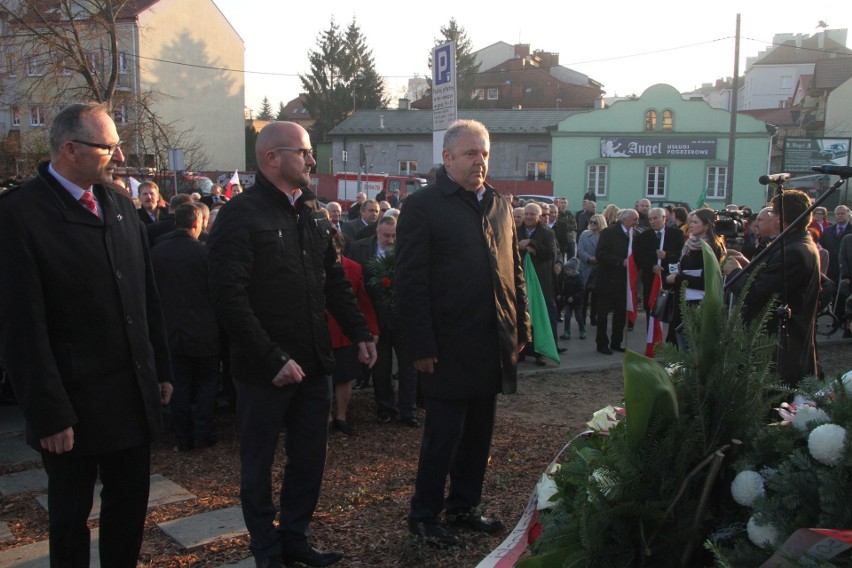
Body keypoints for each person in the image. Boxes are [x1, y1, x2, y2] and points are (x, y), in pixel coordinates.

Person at [0, 102, 173, 567]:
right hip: (70, 405)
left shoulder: (117, 203)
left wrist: (160, 369)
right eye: (109, 147)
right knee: (70, 516)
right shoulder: (19, 215)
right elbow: (21, 328)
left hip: (130, 393)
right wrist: (48, 413)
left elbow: (144, 294)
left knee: (129, 506)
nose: (119, 157)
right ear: (71, 149)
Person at [207, 121, 377, 568]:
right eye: (302, 152)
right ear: (271, 159)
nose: (310, 160)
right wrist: (270, 358)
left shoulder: (313, 213)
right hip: (264, 370)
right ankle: (266, 549)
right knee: (258, 464)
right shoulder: (241, 216)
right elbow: (228, 297)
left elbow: (335, 281)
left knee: (309, 458)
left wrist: (360, 332)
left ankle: (296, 537)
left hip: (315, 363)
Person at [396, 119, 530, 547]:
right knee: (443, 437)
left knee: (478, 434)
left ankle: (463, 506)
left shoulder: (499, 204)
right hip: (447, 345)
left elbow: (514, 272)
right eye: (471, 153)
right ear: (447, 157)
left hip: (491, 341)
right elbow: (410, 282)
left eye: (484, 153)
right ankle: (424, 515)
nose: (479, 161)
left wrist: (521, 324)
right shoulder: (424, 206)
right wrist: (419, 343)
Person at [725, 190, 820, 387]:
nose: (771, 216)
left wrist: (735, 273)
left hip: (778, 349)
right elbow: (771, 280)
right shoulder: (793, 243)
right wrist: (747, 265)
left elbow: (758, 295)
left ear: (782, 219)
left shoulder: (793, 251)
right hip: (776, 345)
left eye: (774, 213)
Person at [151, 203, 220, 452]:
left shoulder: (157, 253)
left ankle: (182, 436)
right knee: (207, 383)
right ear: (196, 223)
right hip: (205, 330)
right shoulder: (205, 253)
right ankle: (204, 433)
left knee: (179, 383)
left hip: (171, 329)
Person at [350, 215, 420, 426]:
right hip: (375, 320)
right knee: (380, 369)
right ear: (377, 232)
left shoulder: (408, 249)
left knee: (409, 368)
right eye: (386, 235)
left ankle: (409, 411)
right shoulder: (359, 249)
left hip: (403, 320)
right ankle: (385, 408)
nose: (390, 240)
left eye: (394, 235)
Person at [327, 230, 379, 436]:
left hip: (345, 333)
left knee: (344, 376)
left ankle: (341, 416)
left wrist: (371, 330)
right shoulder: (312, 267)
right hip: (323, 331)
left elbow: (363, 302)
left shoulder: (355, 269)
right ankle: (326, 418)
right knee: (324, 379)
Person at [665, 208, 725, 350]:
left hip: (696, 303)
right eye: (690, 221)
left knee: (690, 345)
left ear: (706, 225)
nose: (691, 225)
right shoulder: (690, 244)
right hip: (682, 299)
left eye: (695, 222)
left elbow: (707, 280)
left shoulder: (711, 248)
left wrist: (678, 278)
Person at [594, 208, 639, 354]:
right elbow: (600, 254)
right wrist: (620, 262)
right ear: (624, 220)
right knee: (603, 314)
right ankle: (601, 343)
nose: (636, 222)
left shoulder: (635, 234)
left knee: (620, 314)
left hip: (624, 282)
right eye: (634, 219)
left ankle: (616, 342)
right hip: (607, 280)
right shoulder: (609, 232)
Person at [635, 207, 684, 323]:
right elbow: (640, 256)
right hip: (651, 278)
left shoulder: (676, 234)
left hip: (668, 277)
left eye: (655, 218)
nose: (652, 221)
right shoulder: (643, 237)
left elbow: (679, 254)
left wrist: (666, 255)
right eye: (650, 219)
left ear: (664, 218)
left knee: (668, 309)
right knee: (651, 309)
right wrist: (651, 266)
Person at [577, 213, 607, 330]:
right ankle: (582, 317)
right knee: (583, 294)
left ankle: (593, 318)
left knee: (596, 296)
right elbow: (580, 249)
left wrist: (599, 259)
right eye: (591, 222)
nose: (592, 224)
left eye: (595, 222)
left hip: (599, 268)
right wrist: (589, 258)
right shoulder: (585, 234)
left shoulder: (605, 235)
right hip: (586, 267)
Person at [819, 205, 852, 283]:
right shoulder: (827, 231)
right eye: (838, 214)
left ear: (848, 215)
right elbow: (821, 247)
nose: (840, 215)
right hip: (830, 270)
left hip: (847, 272)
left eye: (842, 214)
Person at [558, 257, 586, 339]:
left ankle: (582, 331)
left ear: (573, 270)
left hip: (577, 302)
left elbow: (582, 291)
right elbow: (565, 289)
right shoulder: (567, 278)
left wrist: (574, 297)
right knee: (567, 316)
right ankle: (566, 332)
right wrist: (561, 295)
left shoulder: (579, 279)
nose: (566, 272)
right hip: (568, 301)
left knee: (578, 317)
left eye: (567, 270)